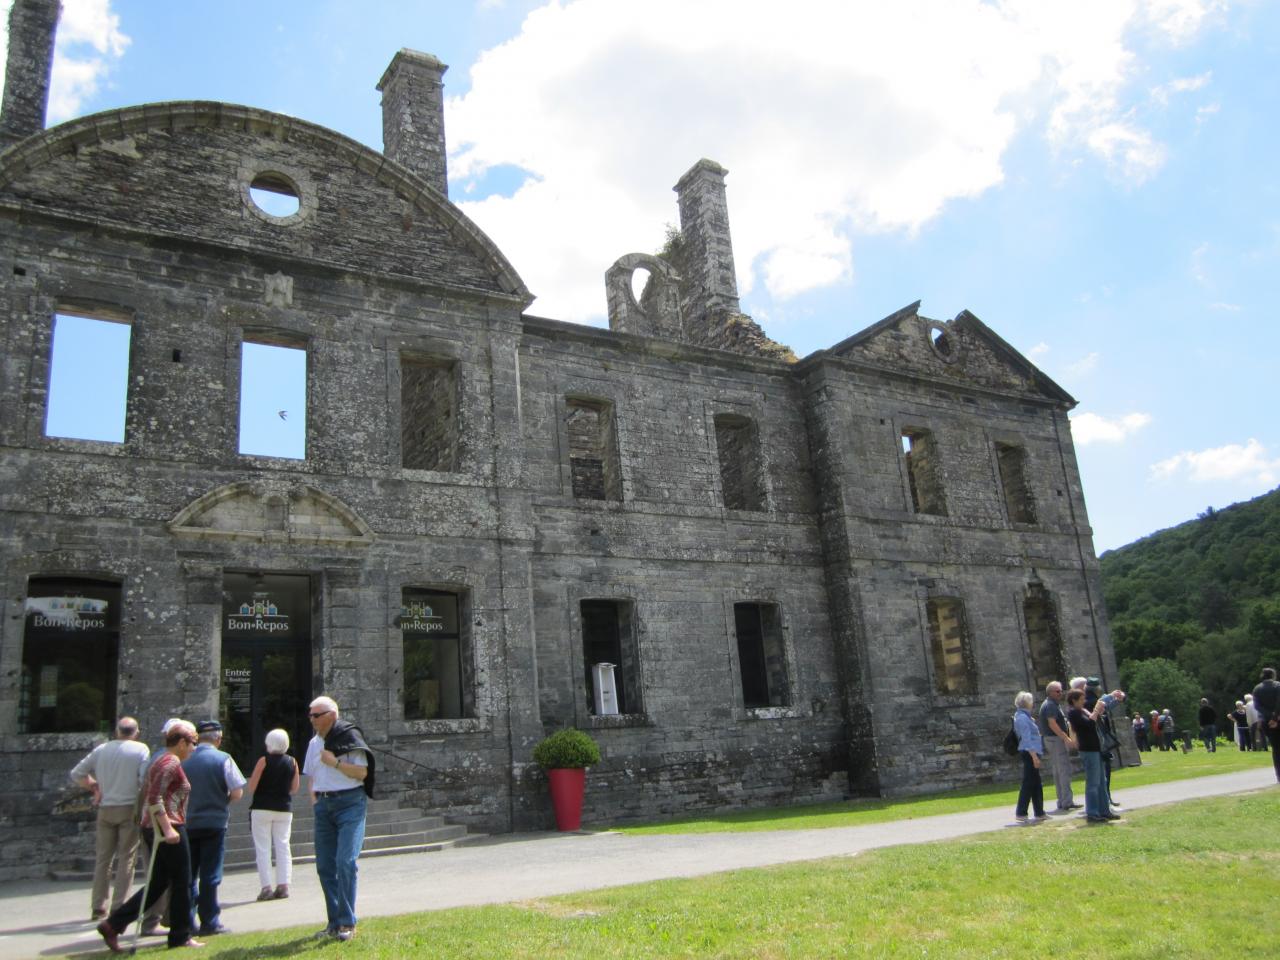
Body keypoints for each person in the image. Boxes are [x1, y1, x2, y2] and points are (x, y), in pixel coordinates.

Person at [97, 720, 203, 952]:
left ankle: (113, 924)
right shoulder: (170, 762)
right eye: (192, 743)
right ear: (182, 743)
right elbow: (154, 798)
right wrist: (167, 829)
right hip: (169, 827)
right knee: (183, 881)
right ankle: (180, 935)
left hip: (153, 826)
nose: (194, 749)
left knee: (157, 883)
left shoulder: (161, 759)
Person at [304, 696, 375, 942]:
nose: (311, 719)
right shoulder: (314, 743)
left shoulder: (349, 738)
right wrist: (315, 800)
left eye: (316, 715)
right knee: (325, 865)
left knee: (345, 861)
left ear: (331, 715)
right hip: (324, 805)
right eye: (310, 715)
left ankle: (347, 922)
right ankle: (333, 922)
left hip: (350, 803)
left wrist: (334, 763)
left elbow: (362, 773)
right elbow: (311, 775)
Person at [70, 716, 150, 920]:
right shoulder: (140, 749)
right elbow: (144, 779)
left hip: (106, 807)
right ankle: (119, 905)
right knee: (127, 858)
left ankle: (98, 906)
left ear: (117, 732)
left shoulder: (101, 750)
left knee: (103, 859)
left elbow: (77, 773)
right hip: (128, 807)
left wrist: (93, 785)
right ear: (136, 733)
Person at [182, 720, 245, 937]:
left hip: (188, 823)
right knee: (210, 874)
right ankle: (209, 921)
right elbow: (237, 792)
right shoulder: (223, 759)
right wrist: (220, 801)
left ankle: (187, 921)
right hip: (215, 822)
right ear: (218, 738)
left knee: (189, 875)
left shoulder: (184, 760)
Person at [247, 728, 300, 901]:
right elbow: (294, 788)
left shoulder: (264, 761)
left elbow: (252, 786)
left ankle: (266, 888)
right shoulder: (292, 762)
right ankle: (284, 885)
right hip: (284, 808)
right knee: (283, 846)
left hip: (262, 807)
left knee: (263, 848)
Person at [1064, 688, 1118, 823]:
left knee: (1101, 782)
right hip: (1088, 750)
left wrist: (1100, 708)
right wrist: (1095, 711)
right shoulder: (1073, 714)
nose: (1084, 701)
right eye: (1081, 699)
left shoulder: (1082, 710)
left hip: (1096, 749)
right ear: (1073, 700)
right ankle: (1092, 813)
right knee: (1093, 783)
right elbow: (1088, 724)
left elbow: (1094, 720)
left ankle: (1104, 811)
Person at [1037, 681, 1078, 813]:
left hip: (1052, 740)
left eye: (1061, 691)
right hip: (1055, 740)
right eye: (1058, 691)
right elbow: (1052, 723)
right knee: (1063, 769)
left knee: (1058, 770)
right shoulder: (1050, 705)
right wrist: (1066, 738)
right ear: (1050, 692)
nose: (1061, 693)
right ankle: (1067, 801)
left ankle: (1062, 800)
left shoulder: (1051, 704)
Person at [1012, 692, 1046, 823]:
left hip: (1033, 752)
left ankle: (1039, 812)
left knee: (1036, 783)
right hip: (1029, 752)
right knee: (1028, 783)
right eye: (1031, 701)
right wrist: (1034, 757)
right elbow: (1026, 740)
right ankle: (1021, 812)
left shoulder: (1025, 716)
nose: (1032, 704)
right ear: (1027, 703)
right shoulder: (1022, 718)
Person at [1252, 667, 1280, 782]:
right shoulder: (1278, 686)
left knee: (1276, 748)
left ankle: (1279, 774)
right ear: (1273, 675)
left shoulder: (1257, 689)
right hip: (1277, 719)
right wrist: (1275, 716)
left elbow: (1257, 706)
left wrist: (1269, 717)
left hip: (1266, 721)